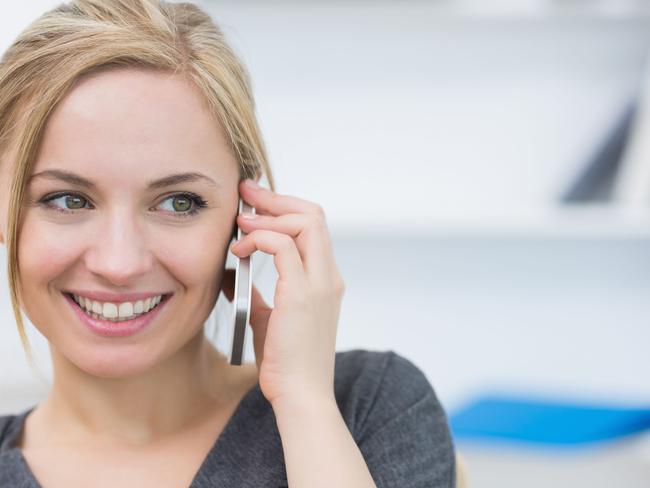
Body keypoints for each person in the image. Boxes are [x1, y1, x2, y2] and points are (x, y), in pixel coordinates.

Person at [0, 1, 457, 486]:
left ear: (246, 216)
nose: (119, 263)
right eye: (67, 199)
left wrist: (304, 404)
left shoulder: (366, 408)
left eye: (178, 203)